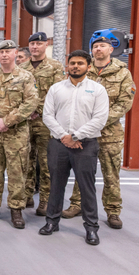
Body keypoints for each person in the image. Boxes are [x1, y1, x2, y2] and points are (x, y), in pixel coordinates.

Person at [63, 36, 136, 229]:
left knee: (110, 173)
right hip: (84, 133)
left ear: (111, 49)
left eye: (102, 46)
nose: (98, 50)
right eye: (95, 47)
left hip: (109, 134)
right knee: (82, 171)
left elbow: (125, 103)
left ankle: (113, 211)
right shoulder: (83, 70)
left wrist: (99, 121)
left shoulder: (122, 73)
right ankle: (77, 204)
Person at [40, 50, 109, 245]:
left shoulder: (97, 90)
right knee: (56, 184)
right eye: (72, 63)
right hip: (58, 144)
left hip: (85, 145)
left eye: (80, 63)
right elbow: (48, 116)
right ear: (67, 66)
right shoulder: (56, 89)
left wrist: (76, 136)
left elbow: (100, 119)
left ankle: (91, 228)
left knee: (87, 187)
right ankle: (52, 222)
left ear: (88, 66)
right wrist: (64, 136)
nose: (75, 66)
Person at [0, 40, 38, 229]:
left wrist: (7, 121)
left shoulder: (26, 77)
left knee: (17, 171)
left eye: (8, 51)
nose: (4, 55)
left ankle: (16, 208)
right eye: (1, 52)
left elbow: (31, 102)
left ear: (15, 53)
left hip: (16, 133)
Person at [20, 32, 65, 215]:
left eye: (39, 43)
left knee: (46, 162)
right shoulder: (22, 67)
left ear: (46, 45)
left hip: (46, 121)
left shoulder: (55, 67)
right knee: (26, 160)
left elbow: (57, 92)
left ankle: (45, 200)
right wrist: (26, 111)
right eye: (32, 44)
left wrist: (36, 109)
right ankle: (28, 195)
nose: (35, 47)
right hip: (25, 121)